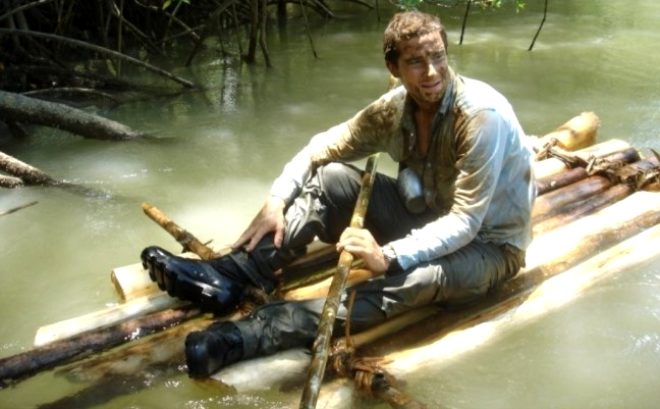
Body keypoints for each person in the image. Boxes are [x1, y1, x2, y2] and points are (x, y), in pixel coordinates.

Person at [141, 10, 536, 378]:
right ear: (394, 68)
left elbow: (466, 221)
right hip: (428, 217)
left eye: (438, 57)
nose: (431, 72)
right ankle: (233, 274)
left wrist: (388, 256)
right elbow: (320, 149)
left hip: (490, 246)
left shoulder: (480, 118)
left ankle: (255, 332)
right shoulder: (394, 110)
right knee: (331, 179)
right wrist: (276, 200)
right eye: (416, 62)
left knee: (418, 277)